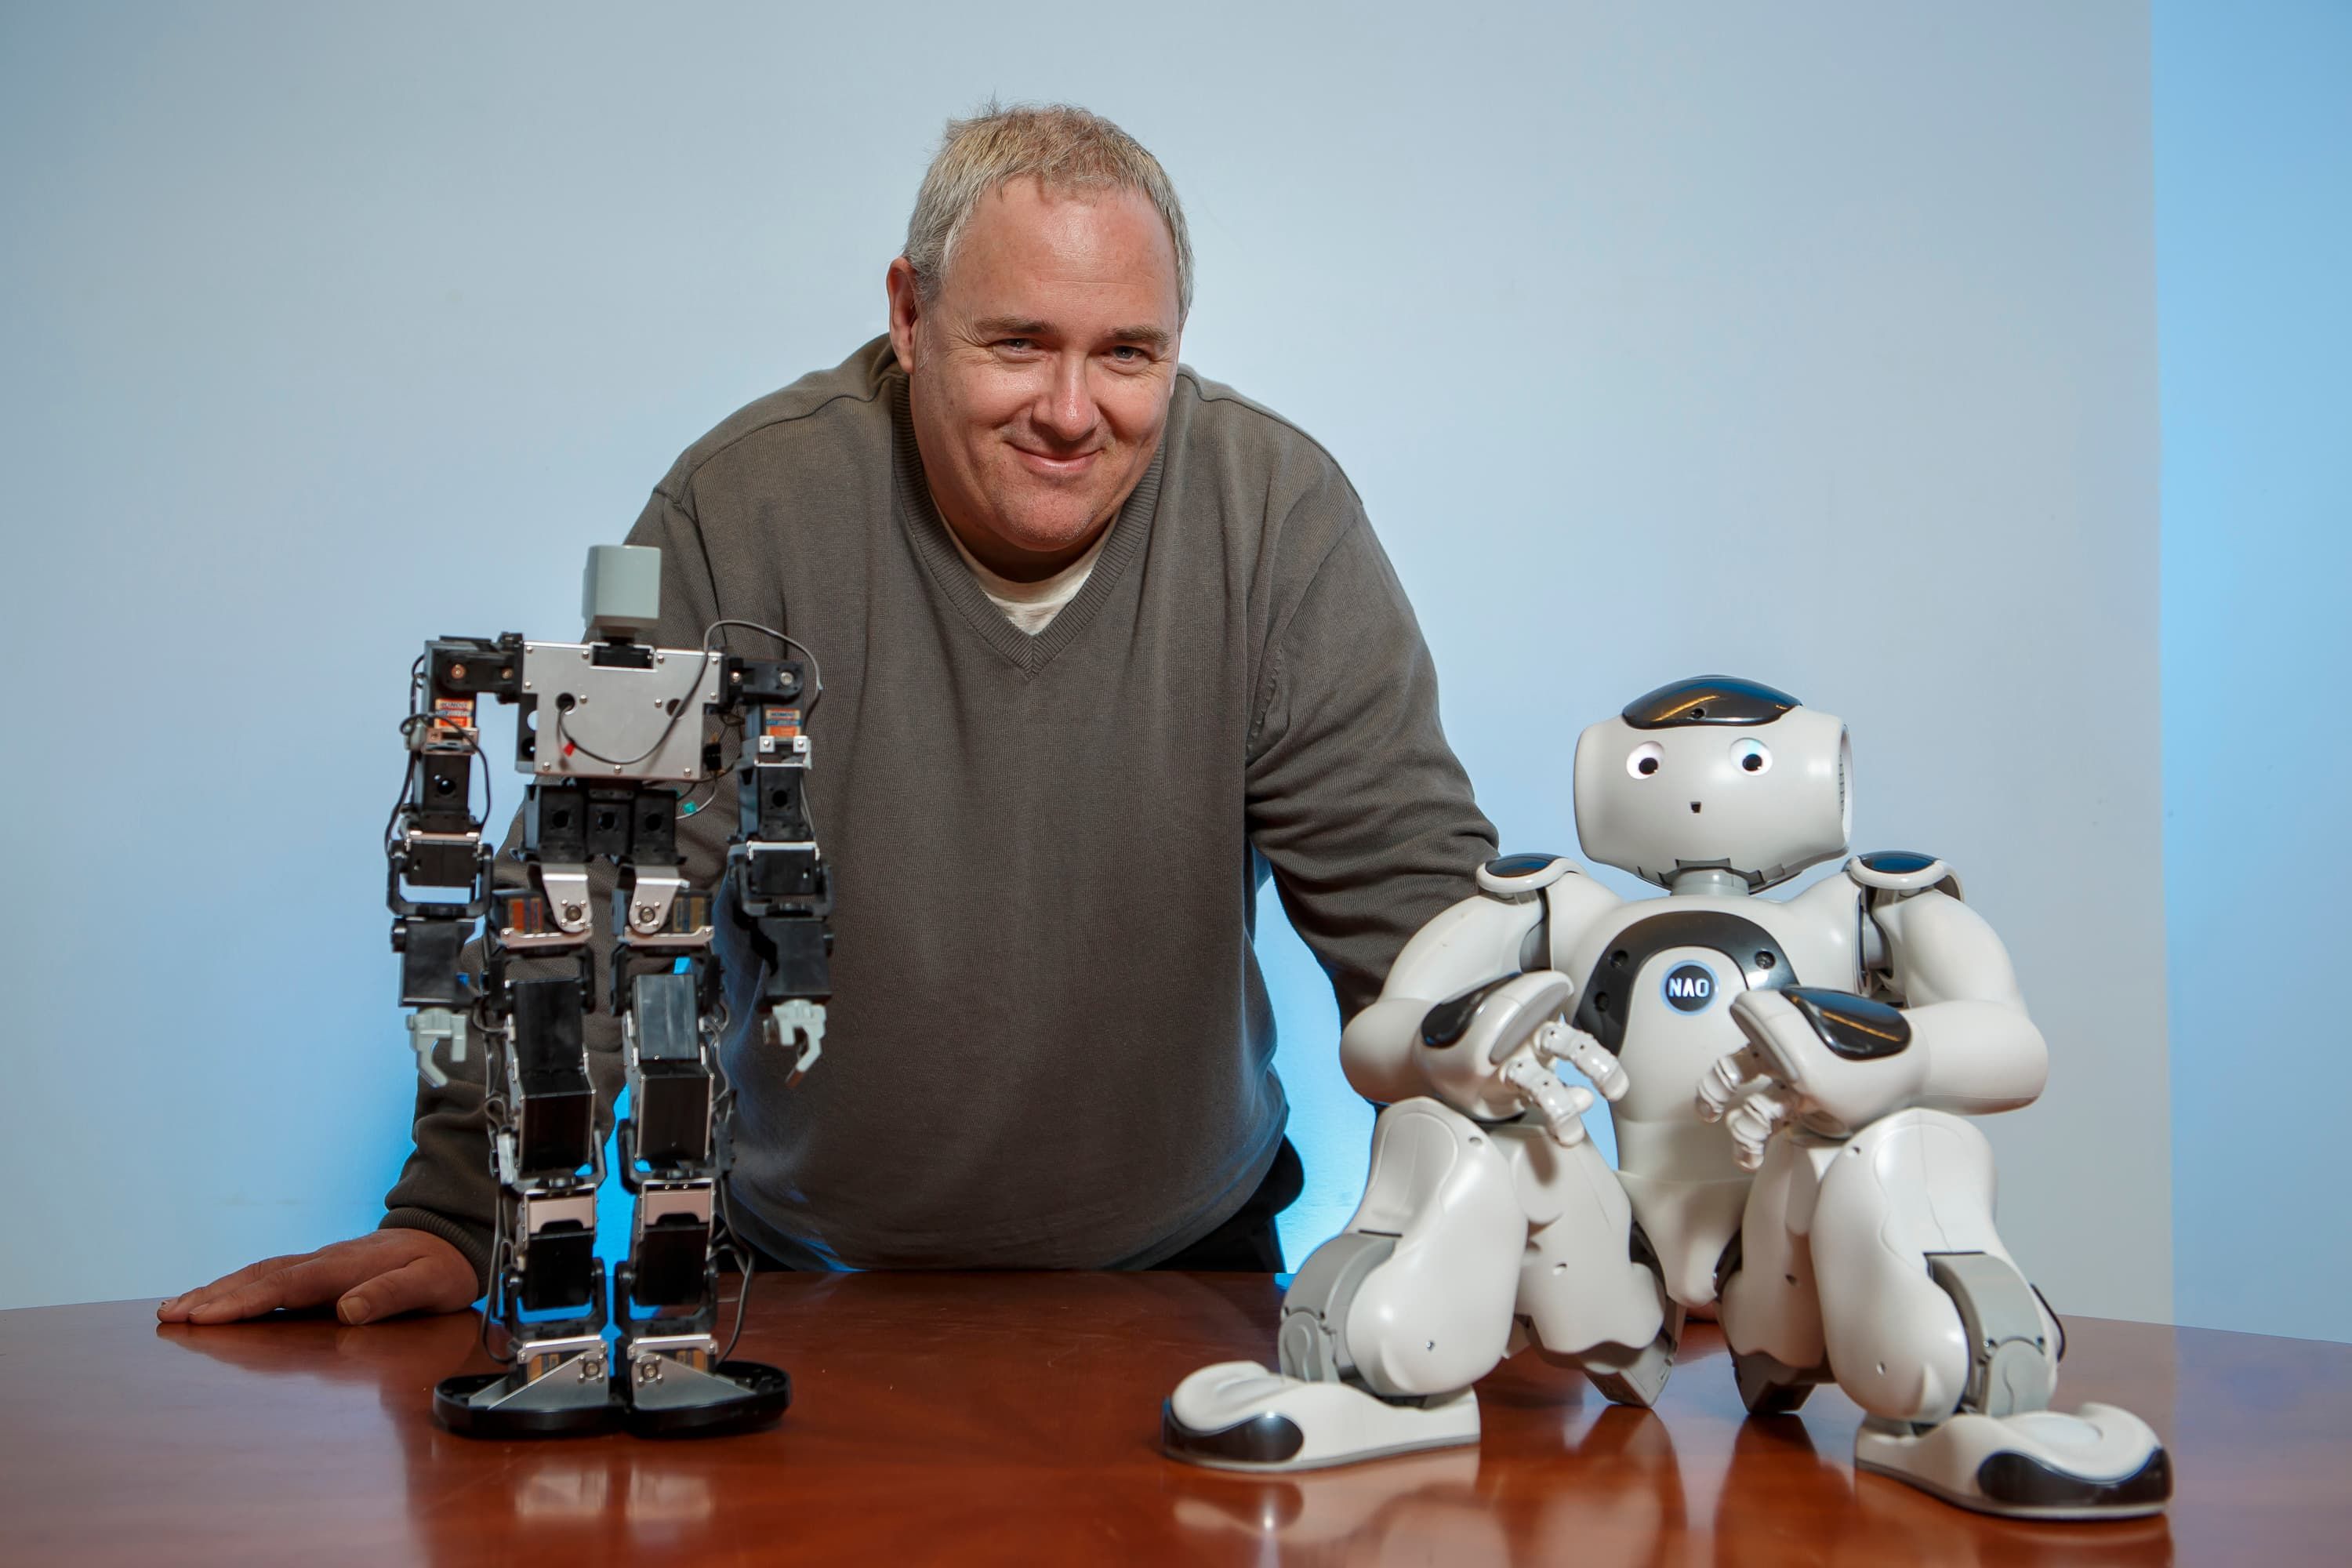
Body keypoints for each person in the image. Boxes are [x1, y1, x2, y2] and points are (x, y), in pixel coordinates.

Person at [161, 103, 1495, 1327]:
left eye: (1128, 353)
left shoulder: (1276, 519)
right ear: (910, 317)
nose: (1072, 412)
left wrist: (1557, 1225)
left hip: (1186, 1261)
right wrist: (460, 1209)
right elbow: (600, 892)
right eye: (1019, 342)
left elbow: (1423, 923)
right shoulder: (747, 512)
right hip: (799, 1275)